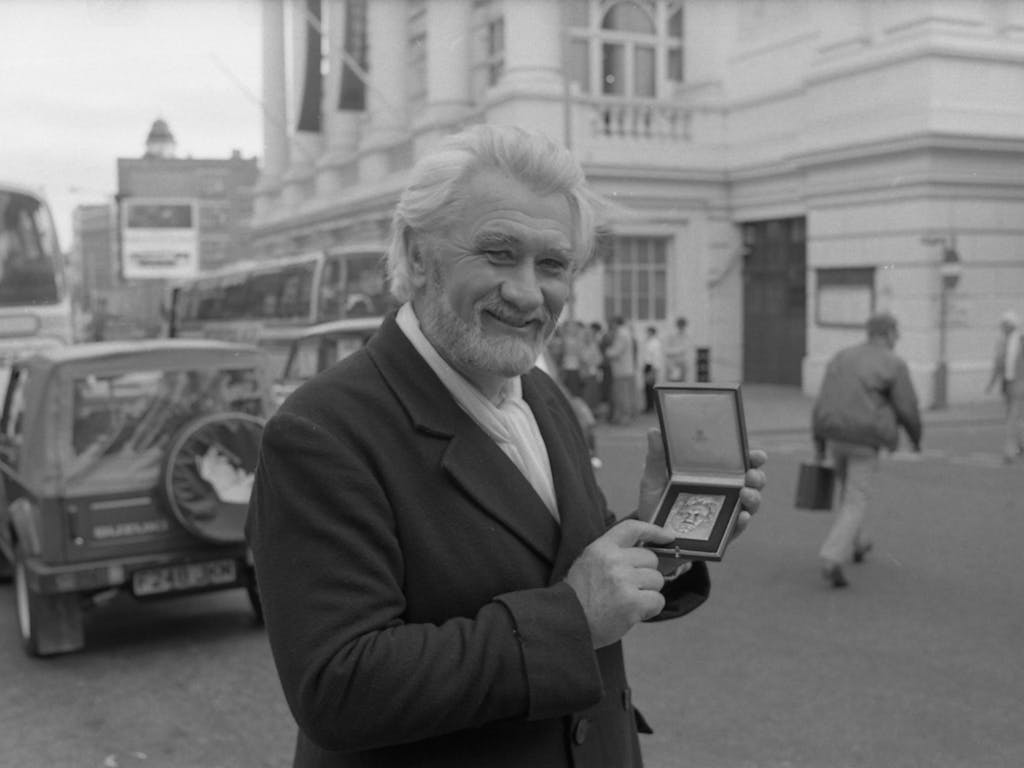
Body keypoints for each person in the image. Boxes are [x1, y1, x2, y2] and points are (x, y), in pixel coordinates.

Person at [247, 124, 767, 768]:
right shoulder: (321, 430)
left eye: (552, 264)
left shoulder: (544, 398)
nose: (527, 292)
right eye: (497, 253)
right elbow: (338, 687)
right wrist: (573, 617)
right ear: (416, 255)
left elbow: (568, 564)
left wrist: (662, 533)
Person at [812, 311, 922, 588]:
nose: (898, 338)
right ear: (887, 333)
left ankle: (857, 544)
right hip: (865, 439)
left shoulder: (842, 356)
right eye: (896, 332)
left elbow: (823, 400)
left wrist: (819, 442)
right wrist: (915, 438)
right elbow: (907, 407)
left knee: (848, 494)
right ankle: (832, 557)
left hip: (835, 436)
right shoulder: (893, 363)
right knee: (855, 499)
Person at [985, 309, 1024, 463]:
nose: (1002, 328)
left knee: (1012, 417)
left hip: (1015, 383)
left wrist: (991, 383)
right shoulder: (1014, 340)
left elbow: (999, 364)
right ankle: (1020, 444)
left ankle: (1009, 451)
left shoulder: (1009, 342)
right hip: (1012, 383)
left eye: (1004, 325)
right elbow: (1000, 364)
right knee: (1017, 416)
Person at [606, 315, 636, 425]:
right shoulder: (626, 332)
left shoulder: (621, 333)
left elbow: (616, 351)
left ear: (615, 323)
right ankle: (624, 416)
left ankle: (625, 417)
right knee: (624, 394)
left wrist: (607, 351)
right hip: (625, 369)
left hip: (621, 370)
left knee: (622, 395)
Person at [641, 326, 663, 413]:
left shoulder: (655, 343)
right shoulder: (648, 342)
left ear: (653, 333)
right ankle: (648, 406)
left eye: (649, 332)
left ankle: (651, 407)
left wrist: (653, 370)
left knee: (650, 387)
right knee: (647, 387)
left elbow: (656, 357)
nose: (647, 334)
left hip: (651, 366)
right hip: (647, 365)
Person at [663, 316, 690, 383]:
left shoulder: (686, 336)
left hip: (682, 364)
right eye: (680, 325)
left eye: (683, 326)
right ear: (677, 325)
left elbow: (686, 350)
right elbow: (666, 351)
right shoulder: (671, 335)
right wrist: (679, 350)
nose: (682, 327)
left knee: (682, 386)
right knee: (672, 385)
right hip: (672, 364)